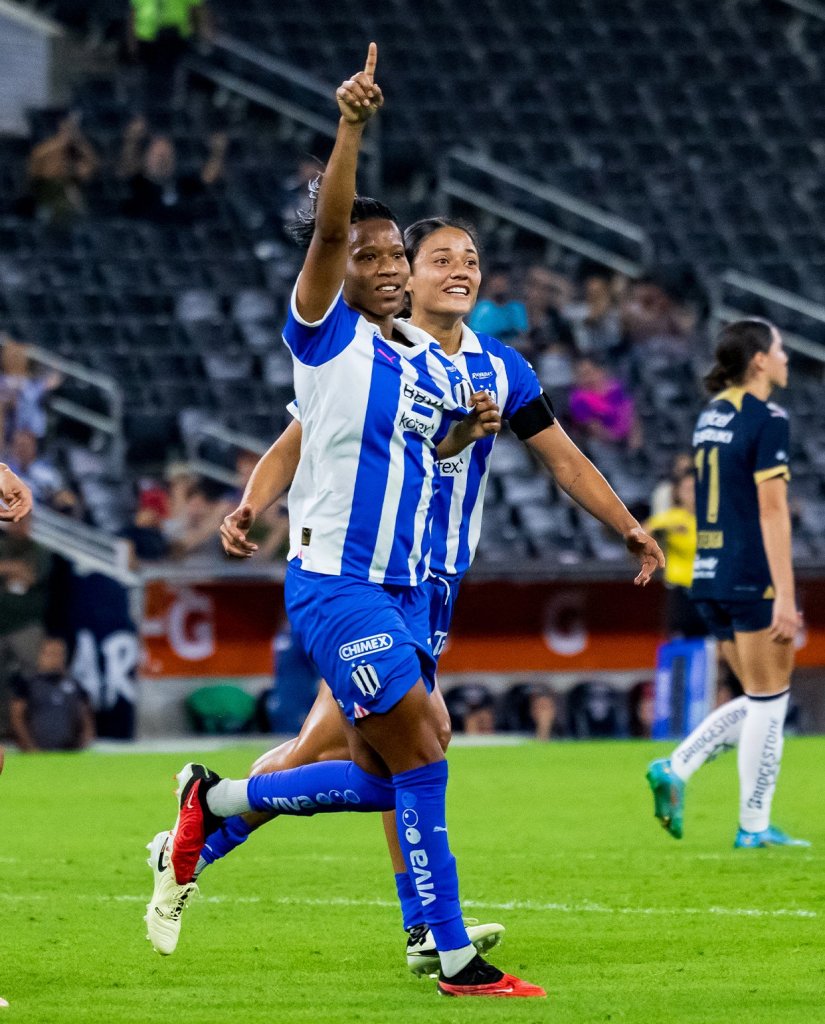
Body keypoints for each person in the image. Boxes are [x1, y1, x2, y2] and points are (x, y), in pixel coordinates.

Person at [146, 226, 664, 981]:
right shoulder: (371, 353)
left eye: (473, 260)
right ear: (405, 279)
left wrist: (626, 525)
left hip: (429, 585)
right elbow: (298, 438)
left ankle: (217, 829)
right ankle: (238, 835)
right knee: (391, 747)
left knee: (379, 755)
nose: (461, 271)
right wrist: (254, 502)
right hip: (362, 580)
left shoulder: (500, 367)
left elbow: (563, 458)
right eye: (440, 260)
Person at [144, 46, 533, 999]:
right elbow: (325, 240)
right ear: (343, 270)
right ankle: (449, 957)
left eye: (399, 253)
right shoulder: (326, 335)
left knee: (386, 772)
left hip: (408, 590)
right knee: (423, 759)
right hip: (338, 585)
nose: (392, 266)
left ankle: (218, 802)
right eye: (375, 255)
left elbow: (419, 461)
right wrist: (351, 128)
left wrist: (465, 436)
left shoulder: (424, 360)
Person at [647, 318, 809, 848]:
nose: (786, 358)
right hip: (749, 572)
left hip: (708, 572)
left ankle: (741, 814)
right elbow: (773, 510)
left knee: (760, 701)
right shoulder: (768, 418)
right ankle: (730, 808)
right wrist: (786, 593)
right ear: (759, 360)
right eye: (780, 349)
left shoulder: (711, 415)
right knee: (770, 699)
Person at [644, 470, 707, 639]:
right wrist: (662, 534)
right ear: (678, 493)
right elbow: (642, 534)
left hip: (709, 589)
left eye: (696, 488)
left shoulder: (712, 519)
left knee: (714, 645)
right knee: (680, 642)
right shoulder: (671, 518)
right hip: (681, 591)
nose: (692, 494)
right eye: (687, 489)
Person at [9, 637, 95, 752]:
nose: (55, 658)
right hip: (36, 753)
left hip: (69, 754)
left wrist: (84, 743)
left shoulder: (75, 685)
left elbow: (86, 717)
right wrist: (29, 746)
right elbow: (17, 716)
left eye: (60, 654)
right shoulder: (27, 684)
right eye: (51, 654)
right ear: (41, 655)